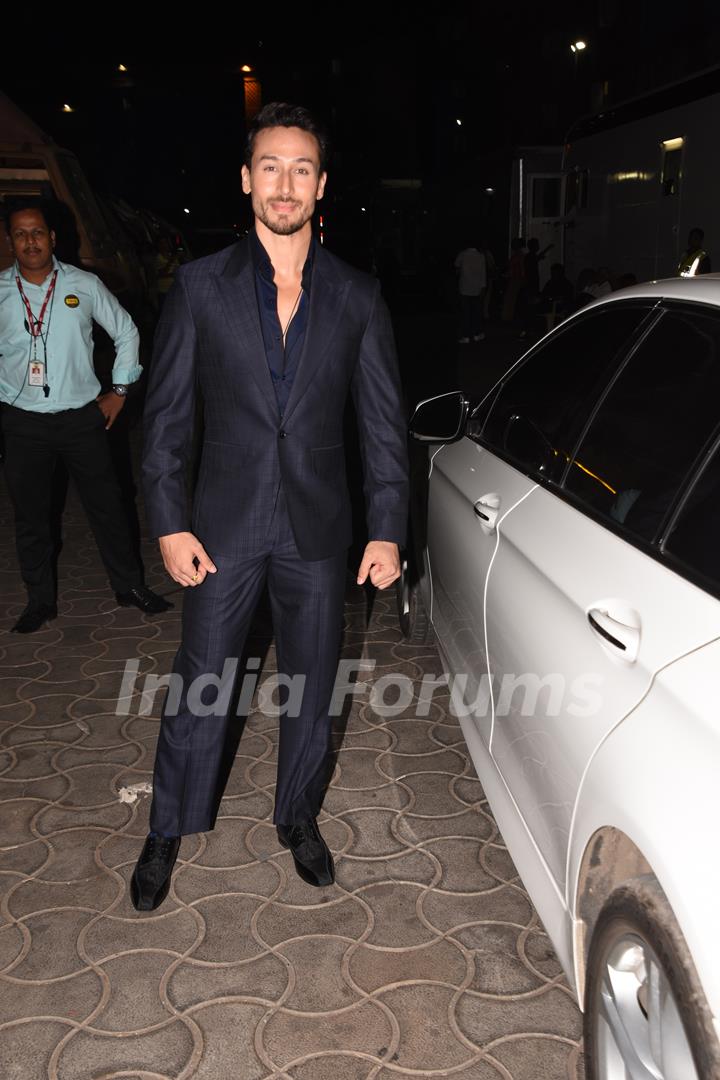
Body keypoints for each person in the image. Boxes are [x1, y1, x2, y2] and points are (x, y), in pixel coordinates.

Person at [132, 103, 409, 911]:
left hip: (320, 533)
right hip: (221, 526)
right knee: (200, 684)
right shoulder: (200, 287)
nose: (284, 184)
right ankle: (166, 827)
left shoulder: (358, 296)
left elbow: (383, 424)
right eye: (270, 166)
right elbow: (168, 418)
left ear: (321, 185)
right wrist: (169, 520)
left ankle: (297, 817)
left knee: (314, 687)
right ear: (247, 178)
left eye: (300, 169)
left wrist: (387, 528)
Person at [0, 198, 171, 633]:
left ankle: (129, 586)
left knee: (109, 507)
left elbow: (126, 331)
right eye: (20, 234)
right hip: (23, 423)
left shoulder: (83, 284)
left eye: (37, 232)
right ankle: (40, 600)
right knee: (32, 516)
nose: (30, 241)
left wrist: (119, 391)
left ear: (52, 237)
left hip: (82, 419)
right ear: (10, 241)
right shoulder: (1, 292)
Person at [454, 242, 487, 342]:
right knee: (476, 312)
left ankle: (466, 336)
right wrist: (483, 287)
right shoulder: (481, 256)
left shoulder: (462, 254)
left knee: (466, 313)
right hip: (477, 288)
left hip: (464, 288)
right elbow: (483, 273)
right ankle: (477, 333)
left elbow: (456, 266)